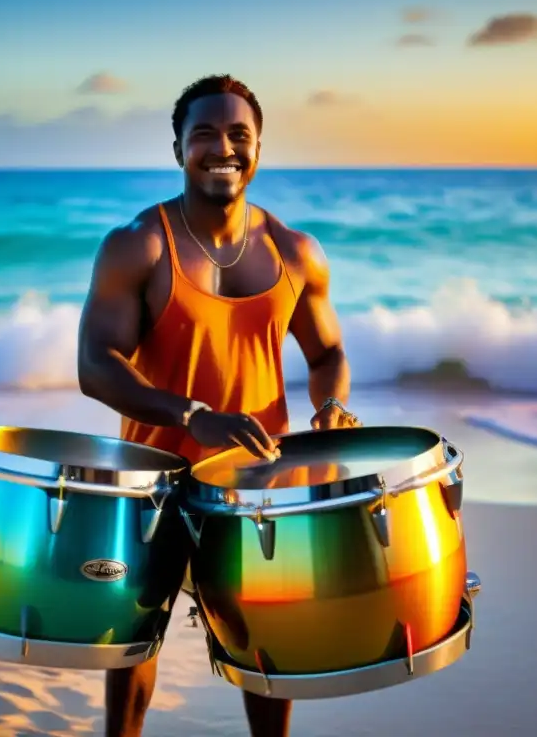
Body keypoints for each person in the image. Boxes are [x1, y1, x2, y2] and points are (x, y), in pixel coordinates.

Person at [77, 73, 360, 737]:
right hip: (154, 478)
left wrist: (332, 405)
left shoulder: (296, 253)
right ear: (178, 147)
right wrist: (190, 415)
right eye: (204, 134)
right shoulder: (138, 244)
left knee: (269, 648)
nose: (223, 148)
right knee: (132, 643)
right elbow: (96, 364)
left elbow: (327, 356)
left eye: (240, 135)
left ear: (259, 149)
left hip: (258, 482)